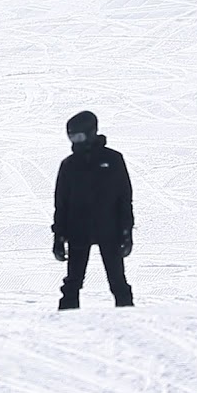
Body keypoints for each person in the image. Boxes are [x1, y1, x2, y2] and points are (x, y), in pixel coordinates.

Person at [51, 111, 135, 310]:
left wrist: (126, 232)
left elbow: (124, 198)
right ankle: (66, 319)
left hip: (109, 228)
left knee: (118, 281)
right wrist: (58, 237)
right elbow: (61, 204)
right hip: (77, 229)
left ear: (91, 133)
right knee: (73, 282)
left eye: (79, 137)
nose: (76, 142)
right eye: (72, 137)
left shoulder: (113, 160)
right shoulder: (69, 165)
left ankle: (127, 315)